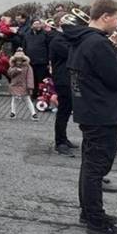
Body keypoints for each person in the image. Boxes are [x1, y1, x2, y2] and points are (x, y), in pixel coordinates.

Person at [64, 0, 117, 234]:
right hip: (102, 113)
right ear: (105, 16)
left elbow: (95, 71)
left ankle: (89, 213)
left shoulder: (85, 39)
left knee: (90, 166)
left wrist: (112, 48)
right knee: (96, 169)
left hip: (91, 110)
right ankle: (96, 220)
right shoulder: (96, 43)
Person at [49, 13, 78, 155]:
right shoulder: (58, 40)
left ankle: (63, 138)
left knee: (66, 111)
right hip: (63, 79)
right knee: (63, 111)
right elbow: (72, 53)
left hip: (69, 78)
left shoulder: (66, 38)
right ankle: (59, 142)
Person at [23, 19, 52, 99]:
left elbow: (49, 48)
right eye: (35, 24)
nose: (37, 25)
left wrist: (49, 60)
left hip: (42, 62)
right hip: (31, 61)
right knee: (32, 79)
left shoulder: (45, 34)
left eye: (39, 24)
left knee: (41, 79)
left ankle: (42, 95)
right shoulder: (27, 35)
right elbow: (24, 47)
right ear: (32, 25)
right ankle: (34, 94)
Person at [8, 48, 37, 120]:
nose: (18, 62)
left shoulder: (27, 67)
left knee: (27, 99)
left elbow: (30, 77)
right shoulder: (13, 66)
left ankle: (33, 113)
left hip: (24, 86)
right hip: (15, 85)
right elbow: (10, 74)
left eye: (20, 60)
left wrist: (30, 87)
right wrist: (15, 70)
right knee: (14, 99)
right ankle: (13, 112)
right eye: (17, 60)